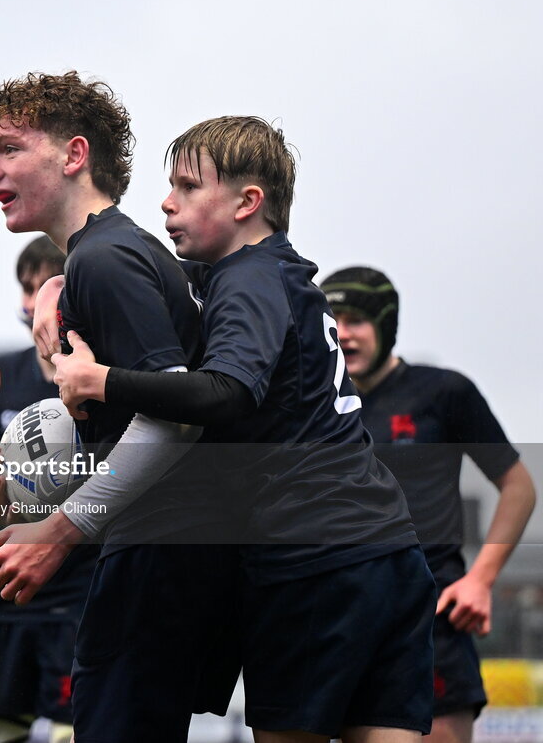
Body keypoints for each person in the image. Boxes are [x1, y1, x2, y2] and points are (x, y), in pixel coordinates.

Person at [44, 116, 436, 743]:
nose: (166, 202)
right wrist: (56, 288)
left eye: (188, 187)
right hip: (390, 549)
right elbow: (167, 284)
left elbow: (225, 391)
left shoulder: (247, 278)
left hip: (312, 557)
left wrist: (104, 381)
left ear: (247, 203)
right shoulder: (278, 272)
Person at [0, 71, 240, 743]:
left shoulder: (106, 260)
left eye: (8, 148)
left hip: (162, 554)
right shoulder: (103, 253)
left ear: (73, 156)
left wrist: (56, 534)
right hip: (168, 551)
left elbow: (175, 416)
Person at [320, 266, 537, 743]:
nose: (343, 332)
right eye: (333, 319)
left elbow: (519, 487)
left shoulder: (443, 392)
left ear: (387, 325)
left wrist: (480, 579)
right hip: (342, 620)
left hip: (433, 617)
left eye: (356, 319)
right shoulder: (317, 405)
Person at [0, 235, 91, 743]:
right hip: (7, 589)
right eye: (25, 288)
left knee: (70, 733)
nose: (31, 303)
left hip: (83, 592)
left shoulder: (100, 380)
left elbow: (131, 468)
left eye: (44, 287)